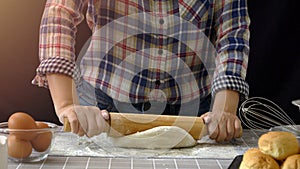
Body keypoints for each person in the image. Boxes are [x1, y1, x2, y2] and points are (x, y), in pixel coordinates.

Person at [33, 0, 250, 142]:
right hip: (101, 104)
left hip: (193, 112)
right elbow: (59, 13)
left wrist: (224, 111)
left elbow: (232, 34)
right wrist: (67, 105)